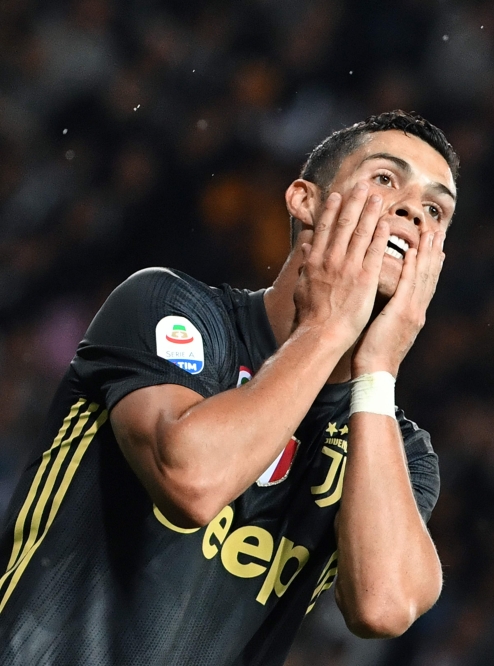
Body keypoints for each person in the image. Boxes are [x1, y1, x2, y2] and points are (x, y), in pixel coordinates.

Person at [0, 110, 458, 665]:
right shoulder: (169, 308)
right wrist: (327, 329)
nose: (412, 210)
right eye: (385, 179)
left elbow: (384, 607)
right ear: (305, 200)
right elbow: (191, 480)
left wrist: (378, 374)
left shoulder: (398, 448)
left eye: (435, 209)